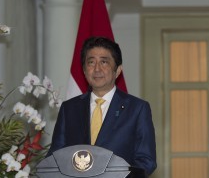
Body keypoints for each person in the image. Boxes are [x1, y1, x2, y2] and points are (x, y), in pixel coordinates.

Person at [47, 36, 157, 176]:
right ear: (84, 70)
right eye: (91, 62)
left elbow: (146, 161)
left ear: (117, 70)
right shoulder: (69, 108)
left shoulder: (137, 109)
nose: (97, 69)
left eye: (104, 62)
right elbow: (54, 157)